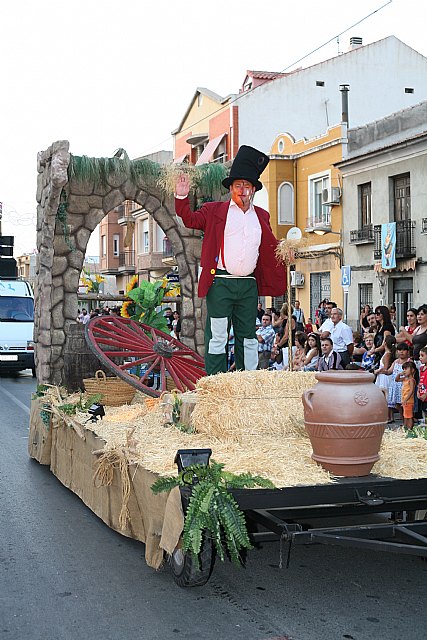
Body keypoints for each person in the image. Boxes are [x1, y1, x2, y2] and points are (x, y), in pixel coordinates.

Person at [175, 145, 286, 375]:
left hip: (248, 284)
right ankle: (216, 381)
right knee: (217, 335)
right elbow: (189, 219)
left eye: (247, 186)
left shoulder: (262, 216)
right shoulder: (214, 210)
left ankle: (248, 380)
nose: (242, 190)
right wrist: (182, 196)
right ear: (231, 188)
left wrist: (287, 251)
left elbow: (271, 247)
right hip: (221, 282)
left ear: (253, 189)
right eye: (238, 185)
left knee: (248, 337)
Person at [385, 342, 411, 423]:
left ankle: (406, 420)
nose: (401, 352)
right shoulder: (396, 361)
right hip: (395, 385)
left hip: (404, 385)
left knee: (404, 404)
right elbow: (389, 371)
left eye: (403, 350)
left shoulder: (409, 361)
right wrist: (383, 371)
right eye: (399, 350)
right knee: (397, 404)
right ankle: (403, 418)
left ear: (407, 351)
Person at [374, 335, 396, 405]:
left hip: (384, 377)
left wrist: (377, 371)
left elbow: (385, 367)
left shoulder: (387, 354)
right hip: (383, 376)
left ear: (385, 343)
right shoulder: (387, 354)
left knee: (385, 395)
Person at [396, 361, 417, 430]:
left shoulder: (411, 380)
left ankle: (409, 428)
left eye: (406, 369)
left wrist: (406, 399)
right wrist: (399, 374)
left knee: (409, 416)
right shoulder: (405, 379)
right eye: (403, 369)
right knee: (406, 415)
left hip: (408, 401)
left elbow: (411, 390)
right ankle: (406, 427)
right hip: (405, 401)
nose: (404, 371)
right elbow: (397, 379)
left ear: (412, 370)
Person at [417, 347, 427, 423]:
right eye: (419, 355)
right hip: (422, 395)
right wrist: (418, 391)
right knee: (423, 412)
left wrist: (425, 394)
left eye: (422, 355)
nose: (420, 358)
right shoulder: (421, 368)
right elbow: (420, 381)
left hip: (425, 395)